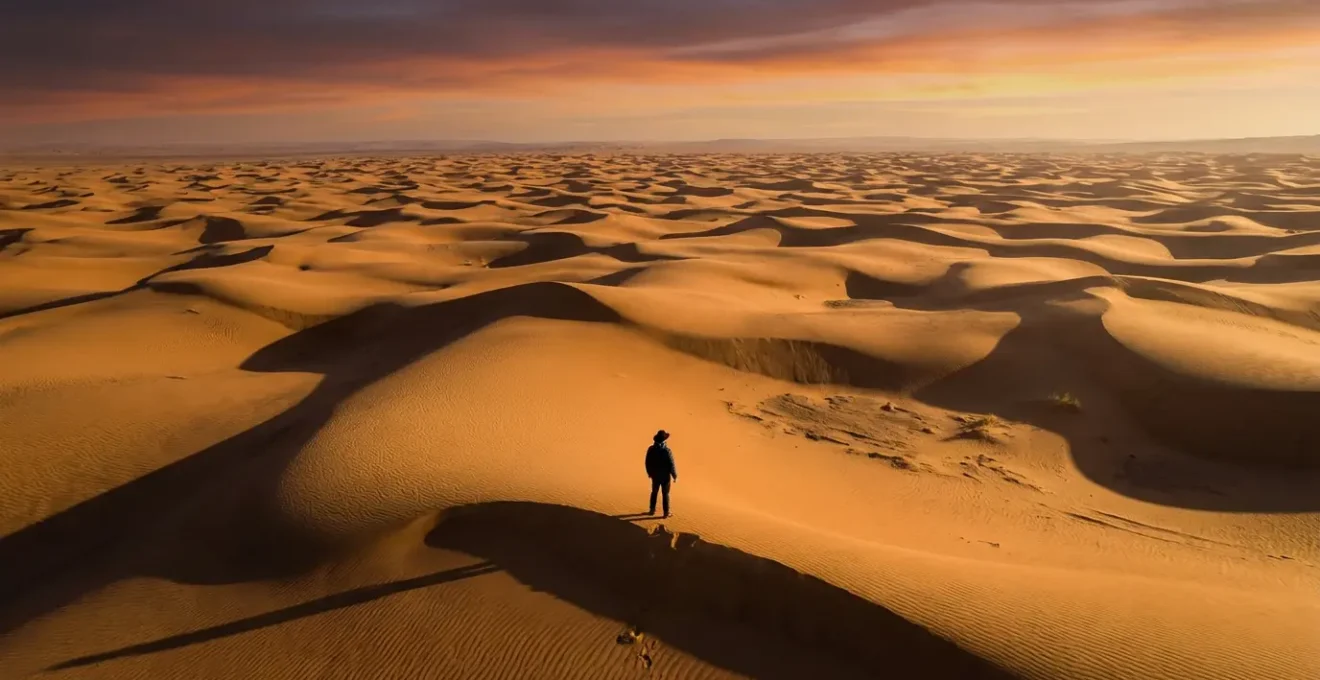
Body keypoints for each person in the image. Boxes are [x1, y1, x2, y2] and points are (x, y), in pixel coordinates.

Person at [645, 429, 678, 518]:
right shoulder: (667, 450)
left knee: (654, 492)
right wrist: (674, 475)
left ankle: (652, 510)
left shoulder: (651, 449)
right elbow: (671, 464)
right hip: (665, 476)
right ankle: (666, 512)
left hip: (655, 475)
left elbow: (647, 462)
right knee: (665, 494)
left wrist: (649, 473)